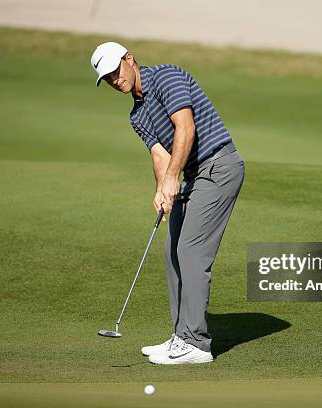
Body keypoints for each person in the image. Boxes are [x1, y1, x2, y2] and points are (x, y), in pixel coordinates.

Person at [90, 42, 244, 364]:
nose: (115, 81)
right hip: (192, 176)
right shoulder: (137, 115)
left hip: (218, 166)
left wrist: (174, 177)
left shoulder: (167, 77)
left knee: (191, 250)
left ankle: (197, 344)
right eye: (108, 79)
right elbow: (159, 154)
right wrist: (162, 189)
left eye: (116, 71)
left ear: (130, 60)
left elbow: (185, 129)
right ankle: (181, 336)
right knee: (172, 247)